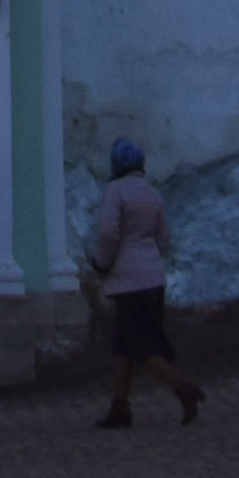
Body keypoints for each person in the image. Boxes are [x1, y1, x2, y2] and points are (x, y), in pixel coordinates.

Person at [88, 138, 201, 428]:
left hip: (128, 283)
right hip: (152, 280)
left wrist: (102, 263)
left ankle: (183, 389)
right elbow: (164, 238)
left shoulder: (116, 191)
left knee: (142, 348)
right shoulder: (153, 194)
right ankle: (120, 406)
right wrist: (148, 257)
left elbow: (108, 232)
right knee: (121, 345)